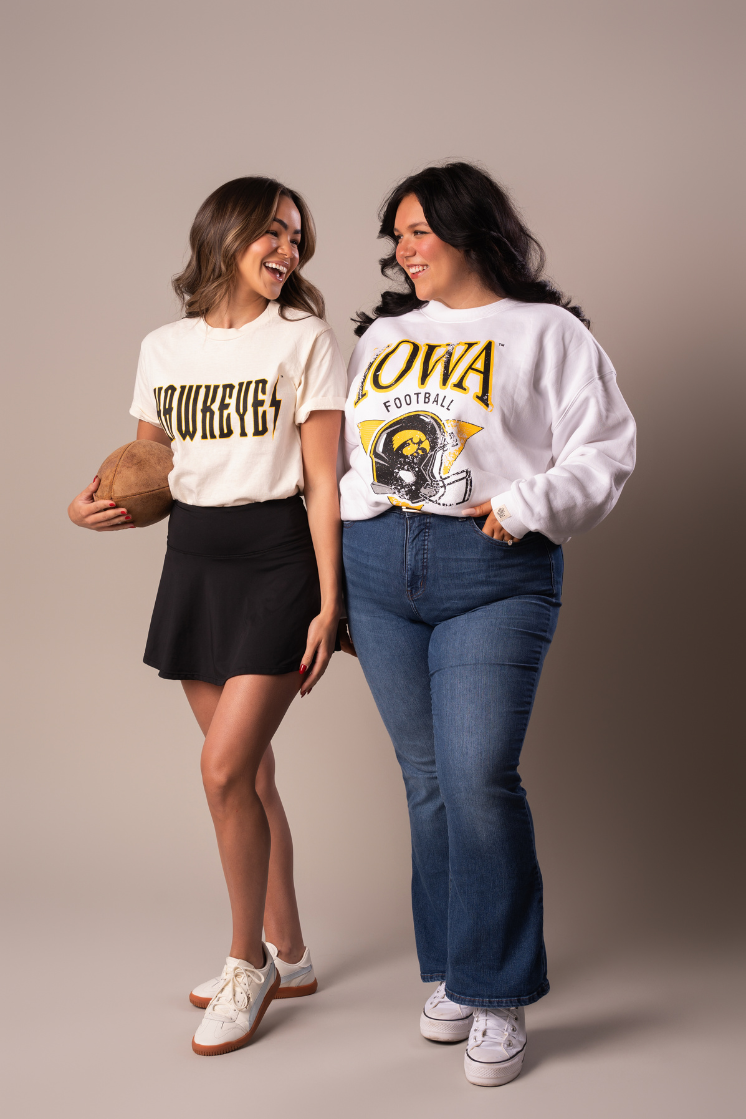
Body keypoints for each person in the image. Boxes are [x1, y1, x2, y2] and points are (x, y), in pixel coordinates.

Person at [339, 161, 636, 1087]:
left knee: (476, 777)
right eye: (397, 235)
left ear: (471, 231)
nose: (403, 250)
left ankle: (499, 991)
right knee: (426, 780)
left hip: (493, 565)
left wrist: (528, 503)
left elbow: (608, 445)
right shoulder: (382, 336)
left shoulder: (546, 333)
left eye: (419, 231)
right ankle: (458, 974)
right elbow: (335, 451)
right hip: (380, 566)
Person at [68, 176, 346, 1056]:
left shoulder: (306, 339)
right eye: (272, 232)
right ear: (224, 235)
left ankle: (245, 962)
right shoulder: (164, 346)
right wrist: (88, 507)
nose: (287, 251)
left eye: (296, 238)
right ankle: (292, 952)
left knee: (222, 769)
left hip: (277, 563)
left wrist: (330, 603)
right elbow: (146, 470)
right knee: (253, 774)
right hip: (193, 562)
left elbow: (325, 482)